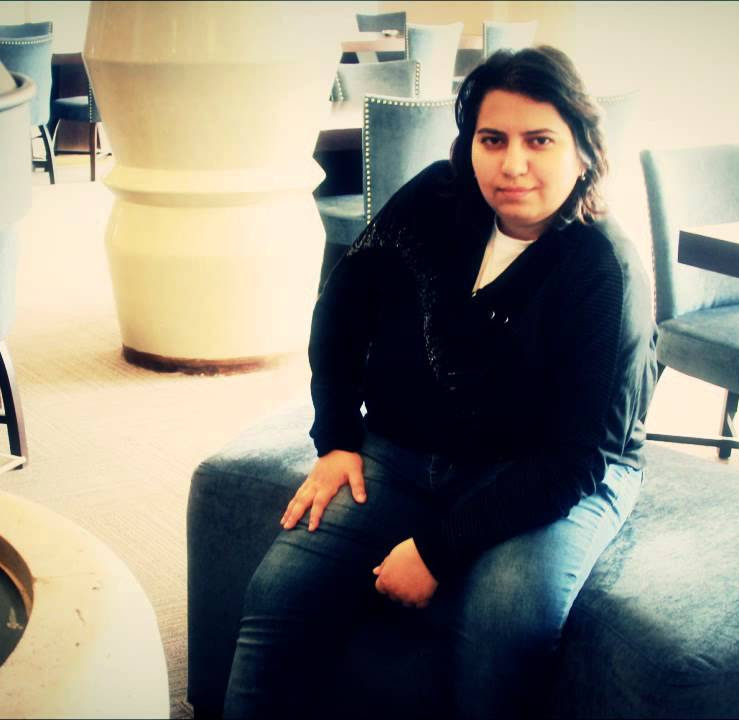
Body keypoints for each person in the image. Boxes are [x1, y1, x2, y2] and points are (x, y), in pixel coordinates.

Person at [223, 45, 658, 718]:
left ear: (583, 150)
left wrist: (436, 550)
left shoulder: (603, 266)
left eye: (539, 140)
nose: (513, 164)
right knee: (279, 591)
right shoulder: (436, 197)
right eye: (493, 139)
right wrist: (336, 437)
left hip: (547, 471)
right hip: (404, 450)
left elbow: (574, 460)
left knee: (503, 617)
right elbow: (341, 308)